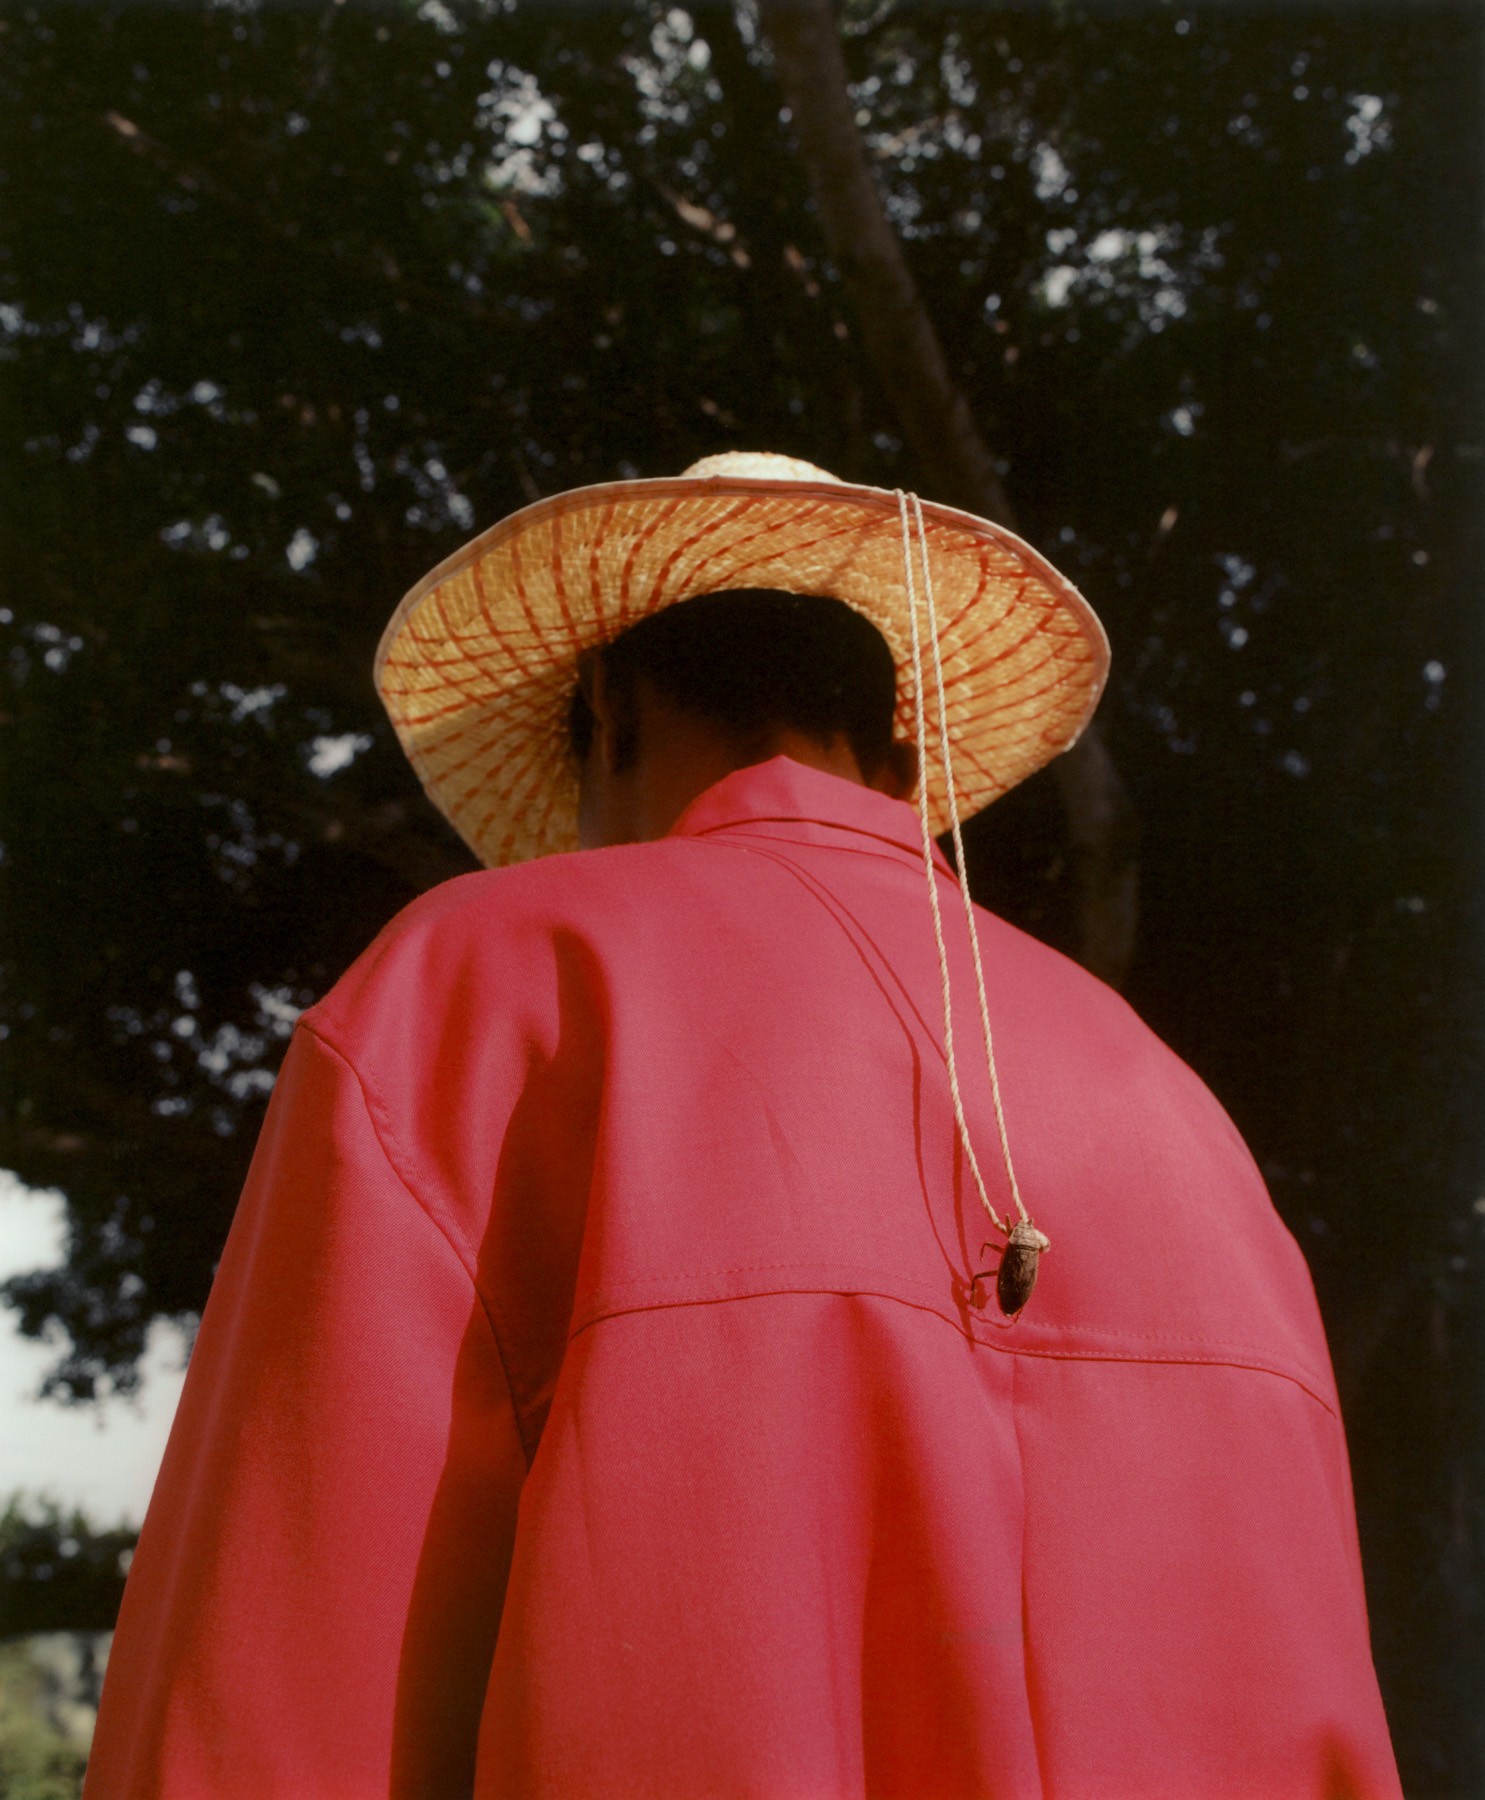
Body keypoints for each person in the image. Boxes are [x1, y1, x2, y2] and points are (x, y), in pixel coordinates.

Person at [86, 453, 1401, 1798]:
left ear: (605, 709)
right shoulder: (1168, 1098)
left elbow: (273, 1689)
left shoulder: (491, 985)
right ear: (899, 744)